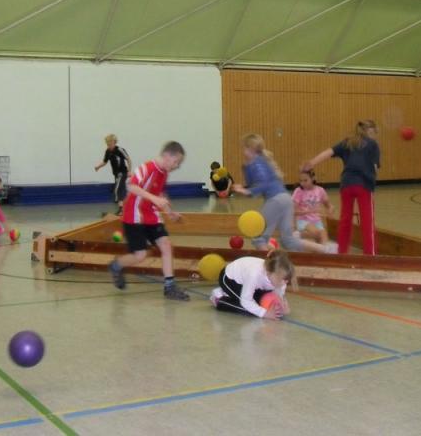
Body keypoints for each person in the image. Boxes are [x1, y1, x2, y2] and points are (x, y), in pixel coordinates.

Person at [108, 141, 190, 301]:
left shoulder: (164, 172)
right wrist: (153, 198)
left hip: (150, 214)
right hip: (134, 215)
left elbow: (160, 194)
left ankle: (169, 287)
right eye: (176, 162)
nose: (177, 166)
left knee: (166, 244)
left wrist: (170, 212)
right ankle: (116, 265)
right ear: (166, 156)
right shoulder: (147, 167)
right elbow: (131, 186)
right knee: (140, 255)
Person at [301, 119, 380, 255]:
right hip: (364, 185)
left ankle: (342, 253)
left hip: (347, 184)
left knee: (345, 220)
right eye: (374, 133)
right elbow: (374, 168)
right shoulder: (372, 144)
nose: (374, 136)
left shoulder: (347, 142)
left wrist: (311, 163)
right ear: (370, 131)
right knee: (367, 222)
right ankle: (370, 256)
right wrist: (372, 178)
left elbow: (328, 152)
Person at [232, 134, 307, 252]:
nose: (243, 151)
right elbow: (256, 183)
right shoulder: (257, 162)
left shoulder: (257, 163)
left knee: (258, 236)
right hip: (285, 199)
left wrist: (246, 191)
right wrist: (244, 182)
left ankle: (267, 262)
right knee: (288, 240)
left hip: (276, 200)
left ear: (250, 148)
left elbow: (264, 183)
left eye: (244, 147)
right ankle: (326, 250)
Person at [210, 250, 296, 319]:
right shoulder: (254, 274)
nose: (284, 283)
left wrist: (282, 305)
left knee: (258, 304)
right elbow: (246, 301)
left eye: (286, 280)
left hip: (247, 282)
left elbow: (278, 294)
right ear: (269, 273)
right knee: (250, 310)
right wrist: (265, 314)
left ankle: (234, 293)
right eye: (281, 280)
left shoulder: (279, 277)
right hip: (229, 279)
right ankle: (219, 299)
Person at [292, 170, 337, 253]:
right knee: (317, 233)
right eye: (301, 181)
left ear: (313, 178)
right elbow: (294, 211)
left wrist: (330, 210)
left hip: (317, 221)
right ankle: (298, 235)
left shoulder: (320, 190)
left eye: (305, 180)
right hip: (303, 220)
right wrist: (309, 211)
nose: (302, 183)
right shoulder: (298, 191)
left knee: (324, 238)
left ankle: (325, 252)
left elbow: (329, 205)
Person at [94, 134, 132, 215]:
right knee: (121, 190)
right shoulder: (108, 151)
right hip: (116, 174)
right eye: (107, 144)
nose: (109, 146)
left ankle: (121, 209)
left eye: (110, 144)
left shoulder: (120, 150)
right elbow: (105, 161)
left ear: (114, 142)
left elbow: (128, 159)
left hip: (122, 173)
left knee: (117, 189)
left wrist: (129, 171)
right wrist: (98, 167)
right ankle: (124, 208)